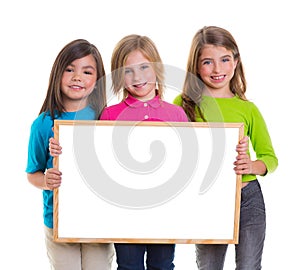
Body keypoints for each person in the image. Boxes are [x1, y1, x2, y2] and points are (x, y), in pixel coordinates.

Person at [173, 26, 278, 270]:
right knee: (208, 266)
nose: (217, 69)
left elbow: (270, 157)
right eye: (207, 62)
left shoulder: (247, 108)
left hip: (248, 198)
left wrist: (252, 165)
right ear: (196, 66)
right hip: (208, 199)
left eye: (225, 60)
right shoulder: (183, 104)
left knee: (249, 266)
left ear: (236, 61)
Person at [25, 39, 114, 270]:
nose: (77, 77)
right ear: (58, 74)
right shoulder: (43, 124)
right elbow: (32, 172)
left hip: (98, 219)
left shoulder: (105, 118)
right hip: (58, 221)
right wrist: (46, 181)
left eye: (87, 71)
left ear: (97, 80)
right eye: (69, 69)